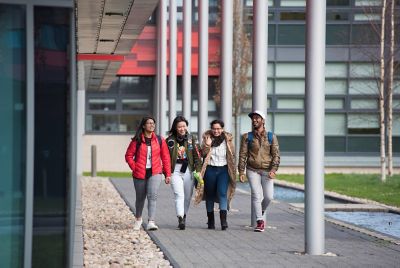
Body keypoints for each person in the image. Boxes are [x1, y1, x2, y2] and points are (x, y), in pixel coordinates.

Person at [125, 115, 171, 231]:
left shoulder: (160, 140)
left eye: (153, 123)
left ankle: (151, 221)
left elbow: (165, 158)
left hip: (155, 172)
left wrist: (167, 174)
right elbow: (128, 155)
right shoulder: (137, 140)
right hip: (139, 173)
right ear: (144, 126)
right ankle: (139, 219)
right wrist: (134, 167)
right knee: (140, 198)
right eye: (149, 123)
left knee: (152, 196)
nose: (152, 125)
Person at [238, 110, 280, 232]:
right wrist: (241, 171)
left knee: (269, 196)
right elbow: (243, 155)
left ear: (263, 120)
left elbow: (276, 155)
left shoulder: (272, 137)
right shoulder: (247, 137)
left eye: (257, 118)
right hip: (252, 170)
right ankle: (260, 221)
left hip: (267, 170)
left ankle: (260, 211)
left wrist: (273, 170)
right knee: (256, 195)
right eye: (253, 118)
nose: (254, 120)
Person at [196, 119, 236, 230]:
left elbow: (232, 155)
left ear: (222, 129)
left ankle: (224, 221)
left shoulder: (228, 140)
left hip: (223, 170)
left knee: (222, 193)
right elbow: (202, 154)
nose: (216, 131)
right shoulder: (207, 139)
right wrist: (207, 145)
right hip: (210, 170)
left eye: (218, 129)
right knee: (210, 195)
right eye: (214, 128)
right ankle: (210, 221)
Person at [166, 116, 202, 230]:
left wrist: (199, 171)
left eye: (184, 126)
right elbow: (166, 158)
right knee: (179, 194)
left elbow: (197, 156)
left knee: (187, 196)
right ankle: (180, 217)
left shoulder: (192, 139)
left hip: (188, 169)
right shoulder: (170, 140)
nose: (182, 128)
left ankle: (184, 215)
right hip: (175, 170)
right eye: (179, 126)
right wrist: (166, 173)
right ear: (175, 128)